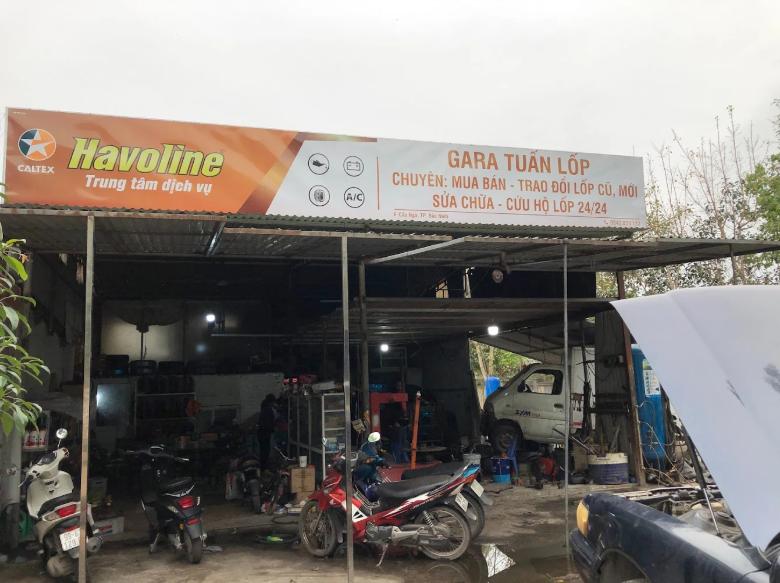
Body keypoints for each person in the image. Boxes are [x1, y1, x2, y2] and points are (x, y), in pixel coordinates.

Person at [257, 394, 277, 467]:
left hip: (261, 432)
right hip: (265, 433)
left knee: (263, 450)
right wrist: (273, 428)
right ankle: (264, 466)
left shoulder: (264, 408)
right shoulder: (268, 410)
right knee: (266, 450)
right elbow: (268, 423)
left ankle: (263, 465)